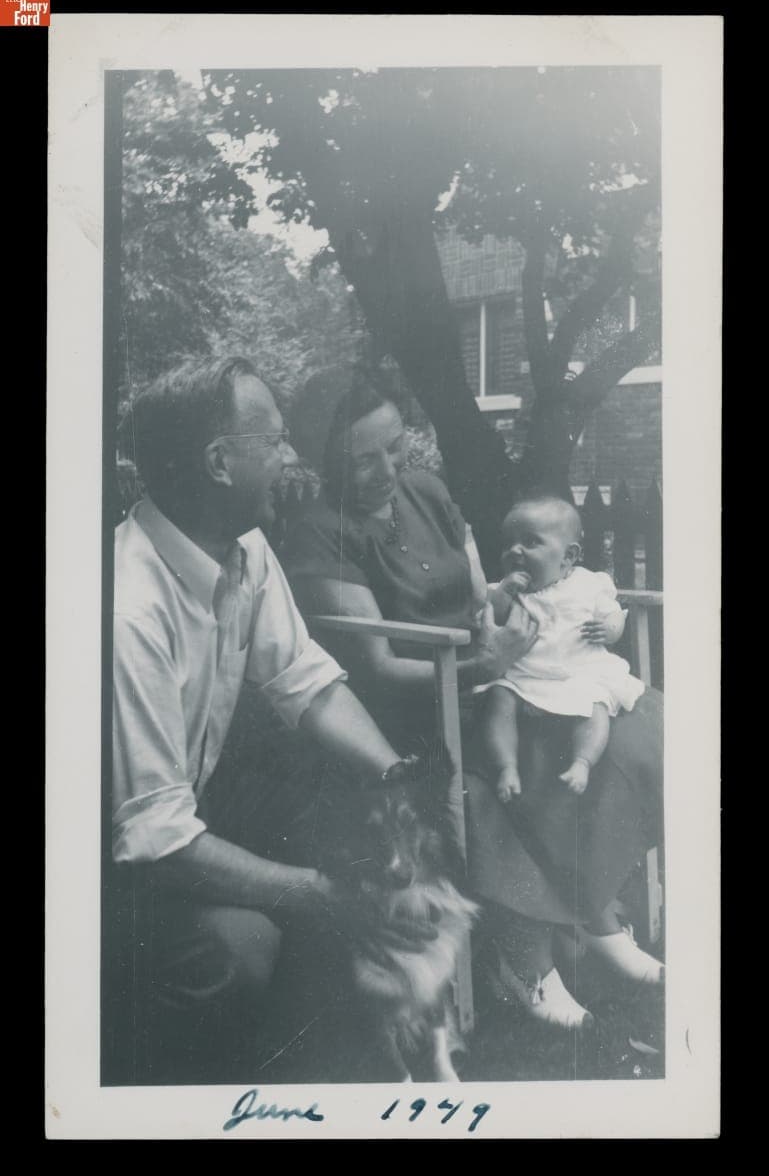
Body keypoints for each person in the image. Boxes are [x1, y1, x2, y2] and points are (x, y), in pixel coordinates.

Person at [282, 374, 664, 1032]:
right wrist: (481, 664)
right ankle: (524, 957)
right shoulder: (319, 532)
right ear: (326, 459)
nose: (385, 469)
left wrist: (514, 633)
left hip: (493, 676)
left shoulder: (425, 491)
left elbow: (478, 589)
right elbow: (374, 665)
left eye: (393, 447)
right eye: (361, 458)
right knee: (507, 776)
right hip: (410, 706)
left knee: (635, 727)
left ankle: (595, 911)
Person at [110, 356, 438, 1081]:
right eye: (278, 441)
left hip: (180, 811)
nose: (294, 459)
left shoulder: (244, 549)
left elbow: (306, 680)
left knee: (365, 822)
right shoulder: (127, 607)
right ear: (219, 463)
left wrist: (390, 779)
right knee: (238, 945)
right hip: (102, 866)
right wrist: (318, 895)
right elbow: (155, 839)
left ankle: (360, 1045)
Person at [477, 494, 645, 804]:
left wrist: (608, 630)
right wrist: (503, 594)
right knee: (498, 698)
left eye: (530, 542)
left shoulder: (589, 584)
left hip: (577, 673)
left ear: (568, 557)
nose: (515, 550)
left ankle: (582, 762)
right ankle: (507, 766)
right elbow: (491, 619)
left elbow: (612, 615)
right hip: (524, 677)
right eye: (509, 543)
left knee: (596, 706)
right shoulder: (506, 590)